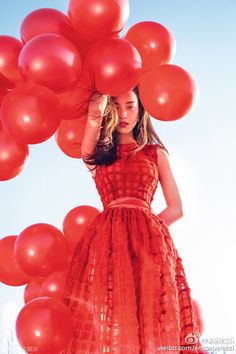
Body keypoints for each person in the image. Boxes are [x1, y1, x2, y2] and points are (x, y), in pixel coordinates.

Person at [61, 86, 205, 354]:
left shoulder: (155, 153)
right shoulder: (96, 155)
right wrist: (102, 89)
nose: (124, 113)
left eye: (130, 105)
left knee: (149, 312)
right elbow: (93, 119)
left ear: (141, 109)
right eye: (116, 106)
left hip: (149, 247)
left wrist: (146, 231)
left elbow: (176, 209)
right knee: (110, 313)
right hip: (107, 248)